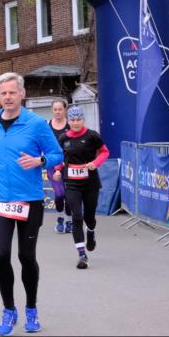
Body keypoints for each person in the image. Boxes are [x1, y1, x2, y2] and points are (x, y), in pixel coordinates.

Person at [0, 73, 63, 337]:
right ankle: (8, 309)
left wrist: (39, 161)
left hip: (29, 200)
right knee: (1, 254)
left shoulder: (36, 123)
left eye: (12, 92)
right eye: (3, 93)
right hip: (0, 199)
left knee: (26, 256)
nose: (7, 97)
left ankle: (32, 308)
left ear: (22, 94)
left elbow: (57, 154)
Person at [55, 106, 108, 269]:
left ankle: (90, 232)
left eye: (78, 119)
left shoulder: (92, 136)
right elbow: (59, 157)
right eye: (72, 120)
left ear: (83, 120)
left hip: (90, 182)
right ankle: (82, 255)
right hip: (71, 182)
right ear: (68, 121)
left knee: (89, 216)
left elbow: (105, 152)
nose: (75, 123)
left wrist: (95, 163)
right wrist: (57, 170)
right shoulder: (63, 138)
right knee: (77, 215)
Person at [47, 99, 72, 234]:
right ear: (52, 110)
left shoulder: (70, 125)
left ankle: (69, 220)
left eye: (60, 109)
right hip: (52, 164)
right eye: (55, 109)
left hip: (68, 163)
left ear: (65, 110)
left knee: (69, 194)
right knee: (59, 193)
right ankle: (60, 218)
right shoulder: (47, 125)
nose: (57, 112)